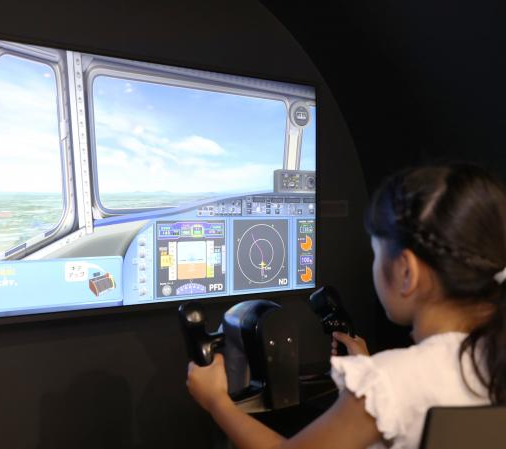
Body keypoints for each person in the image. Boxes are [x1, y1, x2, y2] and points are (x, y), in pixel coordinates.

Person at [186, 163, 506, 449]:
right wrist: (367, 374)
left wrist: (216, 401)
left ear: (406, 272)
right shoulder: (488, 360)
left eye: (377, 253)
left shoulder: (389, 381)